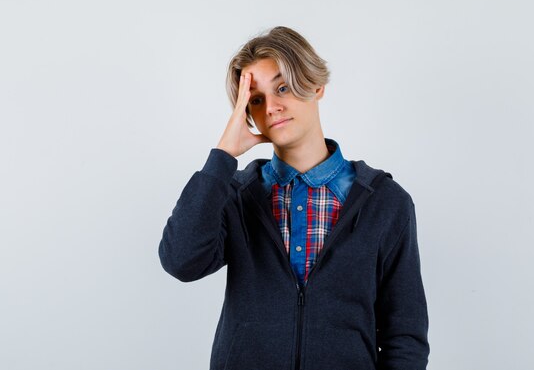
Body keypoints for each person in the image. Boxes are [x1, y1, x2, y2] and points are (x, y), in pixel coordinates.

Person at [158, 26, 429, 370]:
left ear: (316, 86)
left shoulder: (386, 202)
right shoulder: (236, 195)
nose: (271, 107)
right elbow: (181, 261)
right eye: (255, 100)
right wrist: (223, 155)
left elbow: (405, 336)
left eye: (283, 87)